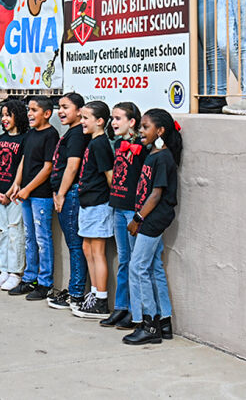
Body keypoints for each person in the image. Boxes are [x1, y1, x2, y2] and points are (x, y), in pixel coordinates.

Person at [124, 108, 182, 345]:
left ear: (160, 131)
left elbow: (156, 194)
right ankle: (164, 321)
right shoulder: (153, 153)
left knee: (137, 267)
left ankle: (148, 325)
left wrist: (137, 219)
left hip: (152, 218)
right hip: (150, 217)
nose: (141, 131)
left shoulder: (163, 157)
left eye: (145, 127)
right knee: (153, 266)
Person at [10, 95, 58, 299]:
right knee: (29, 236)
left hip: (41, 196)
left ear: (47, 114)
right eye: (28, 109)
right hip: (26, 194)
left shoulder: (51, 135)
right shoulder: (30, 135)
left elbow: (48, 168)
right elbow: (23, 159)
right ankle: (30, 278)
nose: (29, 113)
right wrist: (17, 184)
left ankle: (45, 282)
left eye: (34, 110)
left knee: (42, 238)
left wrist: (28, 189)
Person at [102, 102, 145, 328]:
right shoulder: (118, 143)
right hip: (117, 207)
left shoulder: (141, 145)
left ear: (132, 122)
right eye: (113, 118)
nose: (114, 123)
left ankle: (134, 310)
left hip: (131, 210)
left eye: (118, 118)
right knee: (123, 260)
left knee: (134, 262)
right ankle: (121, 307)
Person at [72, 100, 115, 319]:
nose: (82, 122)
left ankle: (101, 300)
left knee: (97, 252)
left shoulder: (101, 144)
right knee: (87, 249)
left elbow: (110, 177)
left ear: (99, 121)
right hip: (88, 204)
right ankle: (94, 293)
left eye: (86, 118)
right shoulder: (93, 142)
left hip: (99, 204)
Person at [48, 92, 88, 310]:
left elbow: (73, 166)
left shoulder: (77, 135)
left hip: (71, 194)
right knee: (73, 244)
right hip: (64, 192)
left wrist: (61, 193)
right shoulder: (71, 133)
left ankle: (76, 294)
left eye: (66, 107)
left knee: (75, 245)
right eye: (59, 107)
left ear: (79, 110)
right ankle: (75, 290)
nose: (61, 111)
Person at [0, 98, 27, 292]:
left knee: (15, 232)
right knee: (2, 231)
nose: (4, 119)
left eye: (8, 115)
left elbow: (21, 165)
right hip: (0, 193)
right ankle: (4, 269)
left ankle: (15, 272)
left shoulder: (24, 139)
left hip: (15, 195)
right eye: (2, 115)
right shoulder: (1, 139)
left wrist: (12, 189)